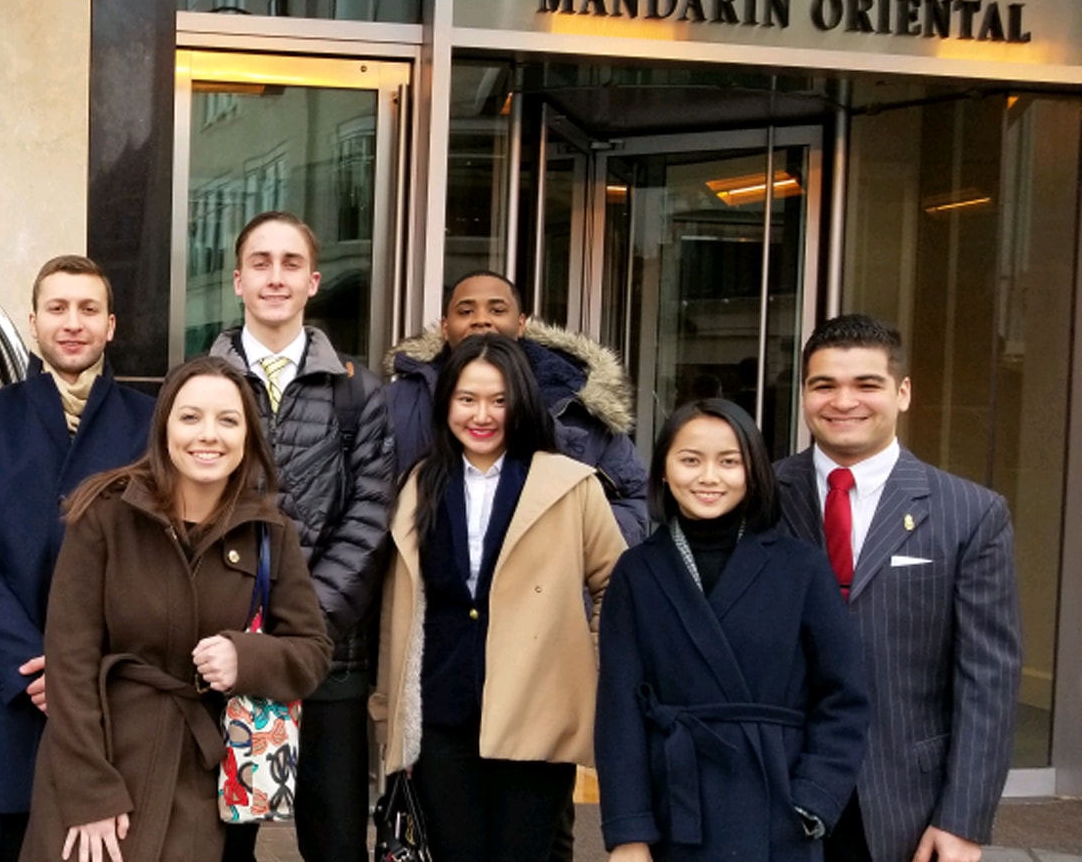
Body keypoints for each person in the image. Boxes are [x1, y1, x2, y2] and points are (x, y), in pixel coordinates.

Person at [22, 355, 333, 862]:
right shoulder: (105, 515)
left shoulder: (270, 532)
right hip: (101, 771)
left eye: (227, 420)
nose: (208, 435)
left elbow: (313, 652)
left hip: (201, 781)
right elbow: (70, 664)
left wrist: (246, 659)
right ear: (164, 427)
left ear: (248, 437)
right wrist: (90, 791)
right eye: (190, 417)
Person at [776, 315, 1021, 862]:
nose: (844, 401)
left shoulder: (971, 514)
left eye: (866, 384)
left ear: (903, 392)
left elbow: (988, 678)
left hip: (902, 804)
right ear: (804, 395)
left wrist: (963, 820)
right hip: (772, 791)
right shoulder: (759, 499)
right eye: (824, 385)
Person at [374, 333, 626, 862]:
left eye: (499, 400)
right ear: (447, 405)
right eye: (467, 399)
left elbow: (616, 588)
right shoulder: (420, 483)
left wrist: (592, 676)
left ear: (522, 403)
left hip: (535, 714)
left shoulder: (571, 484)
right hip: (442, 714)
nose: (482, 415)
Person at [0, 255, 155, 862]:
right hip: (16, 695)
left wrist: (86, 670)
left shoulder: (154, 423)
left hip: (115, 696)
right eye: (58, 309)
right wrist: (30, 669)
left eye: (88, 309)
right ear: (33, 323)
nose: (73, 323)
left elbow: (159, 560)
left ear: (111, 325)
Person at [597, 399, 870, 861]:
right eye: (690, 460)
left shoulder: (799, 566)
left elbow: (844, 695)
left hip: (777, 807)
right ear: (663, 469)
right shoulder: (636, 571)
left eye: (729, 462)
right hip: (675, 807)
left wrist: (813, 797)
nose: (709, 477)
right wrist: (629, 832)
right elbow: (619, 710)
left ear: (754, 472)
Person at [207, 211, 394, 862]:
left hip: (328, 663)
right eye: (261, 263)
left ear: (313, 281)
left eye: (291, 264)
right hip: (225, 654)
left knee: (334, 840)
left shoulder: (360, 391)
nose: (275, 277)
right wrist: (239, 630)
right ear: (237, 280)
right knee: (222, 840)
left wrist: (304, 628)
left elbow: (371, 517)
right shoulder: (200, 386)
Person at [385, 268, 648, 542]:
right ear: (445, 326)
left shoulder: (577, 403)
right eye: (465, 312)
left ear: (521, 323)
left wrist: (568, 553)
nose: (481, 320)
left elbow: (632, 500)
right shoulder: (398, 401)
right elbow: (368, 499)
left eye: (497, 311)